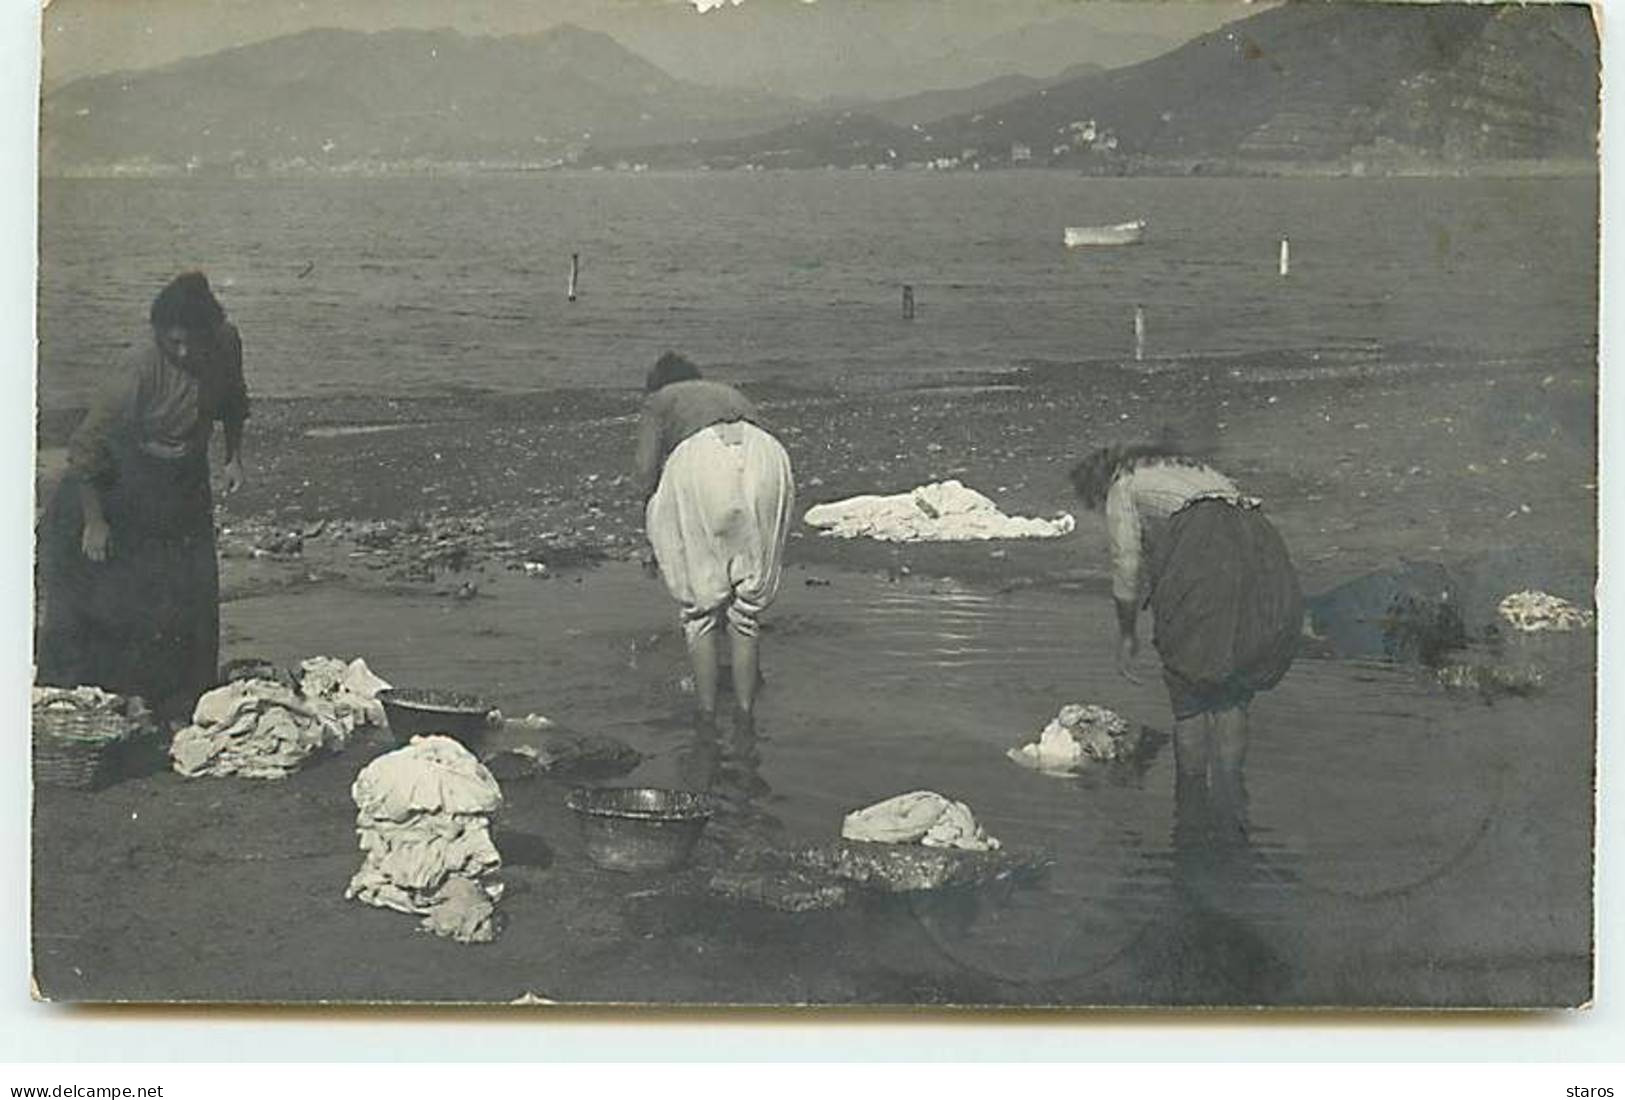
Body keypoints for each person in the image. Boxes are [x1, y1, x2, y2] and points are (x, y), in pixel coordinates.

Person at [36, 272, 249, 721]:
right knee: (111, 597)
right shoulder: (136, 370)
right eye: (174, 343)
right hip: (114, 483)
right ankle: (98, 707)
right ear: (158, 335)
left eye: (194, 342)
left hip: (182, 476)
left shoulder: (226, 344)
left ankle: (180, 701)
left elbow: (234, 401)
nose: (186, 353)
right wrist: (95, 522)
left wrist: (233, 458)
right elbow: (86, 450)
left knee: (188, 589)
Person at [1069, 445, 1301, 851]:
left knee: (1190, 690)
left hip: (1204, 547)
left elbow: (1126, 564)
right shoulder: (1185, 467)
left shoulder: (1123, 485)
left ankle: (1190, 821)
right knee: (1233, 688)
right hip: (1261, 543)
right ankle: (1233, 813)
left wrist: (1127, 634)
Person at [635, 352, 794, 732]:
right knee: (746, 611)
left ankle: (705, 719)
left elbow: (645, 469)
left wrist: (653, 526)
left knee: (700, 612)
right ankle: (745, 716)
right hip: (768, 457)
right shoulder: (728, 393)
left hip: (701, 457)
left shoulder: (660, 399)